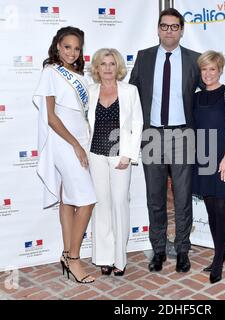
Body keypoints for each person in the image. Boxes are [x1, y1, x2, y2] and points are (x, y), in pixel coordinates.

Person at [129, 8, 201, 273]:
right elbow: (132, 95)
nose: (169, 30)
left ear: (181, 30)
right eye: (164, 26)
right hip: (152, 135)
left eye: (174, 26)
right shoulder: (144, 57)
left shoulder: (195, 60)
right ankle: (158, 249)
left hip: (183, 135)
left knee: (182, 199)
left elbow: (208, 95)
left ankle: (182, 250)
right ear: (158, 29)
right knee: (155, 198)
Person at [33, 26, 96, 283]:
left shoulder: (79, 75)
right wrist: (75, 145)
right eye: (67, 46)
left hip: (82, 139)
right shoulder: (51, 72)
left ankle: (66, 255)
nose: (72, 52)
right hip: (63, 141)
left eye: (77, 48)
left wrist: (84, 142)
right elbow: (51, 117)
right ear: (58, 46)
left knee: (69, 200)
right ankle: (74, 257)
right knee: (87, 199)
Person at [88, 48, 143, 276]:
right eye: (103, 64)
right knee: (101, 206)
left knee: (119, 204)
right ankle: (104, 257)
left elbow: (137, 124)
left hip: (120, 155)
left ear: (118, 66)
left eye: (112, 63)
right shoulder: (90, 91)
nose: (108, 68)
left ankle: (120, 259)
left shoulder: (130, 91)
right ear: (97, 68)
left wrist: (129, 155)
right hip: (95, 155)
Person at [192, 51, 225, 284]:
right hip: (203, 158)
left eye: (212, 69)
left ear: (220, 70)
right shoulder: (196, 97)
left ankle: (218, 261)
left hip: (224, 158)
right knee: (212, 210)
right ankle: (221, 252)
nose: (208, 73)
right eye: (204, 69)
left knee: (222, 210)